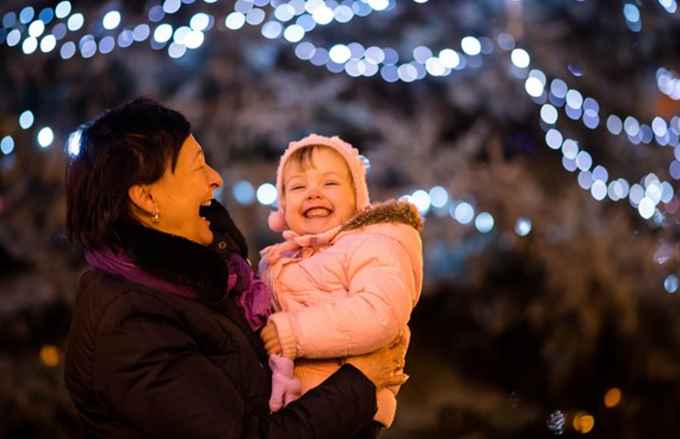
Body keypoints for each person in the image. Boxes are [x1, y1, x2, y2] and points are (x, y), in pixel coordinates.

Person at [63, 98, 408, 438]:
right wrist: (361, 379)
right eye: (198, 166)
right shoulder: (130, 324)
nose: (215, 178)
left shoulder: (203, 274)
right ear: (147, 198)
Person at [259, 134, 423, 438]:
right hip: (297, 411)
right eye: (297, 187)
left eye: (330, 183)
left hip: (354, 411)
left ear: (357, 198)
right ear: (282, 206)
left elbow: (379, 313)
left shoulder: (373, 244)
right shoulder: (279, 261)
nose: (313, 193)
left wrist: (292, 332)